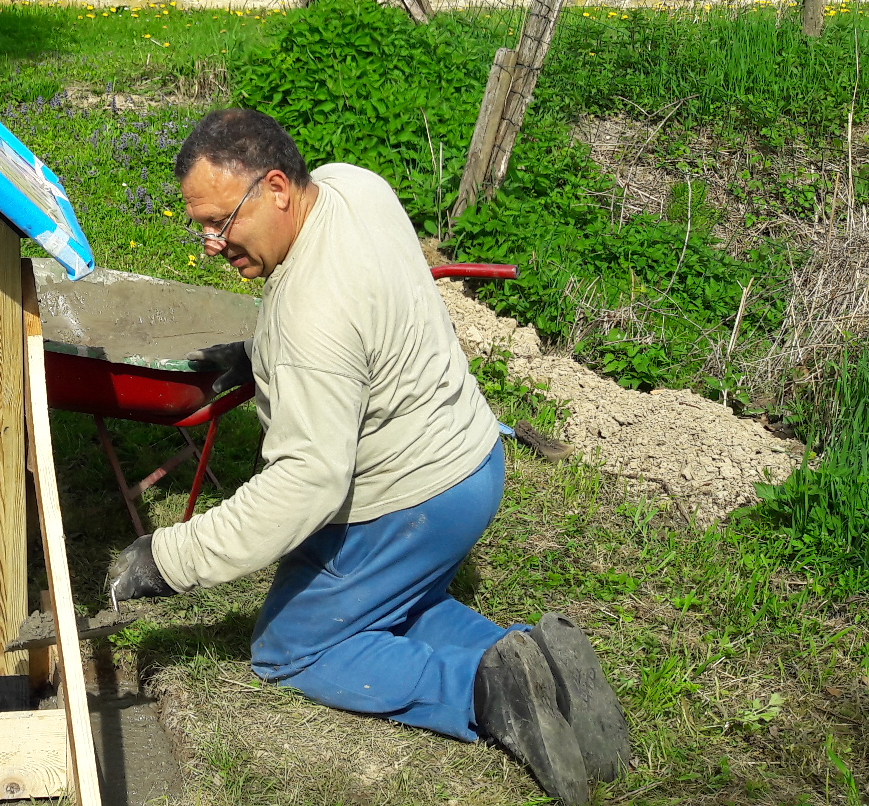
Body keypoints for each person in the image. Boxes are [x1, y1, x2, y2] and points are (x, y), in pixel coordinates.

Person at [105, 108, 629, 806]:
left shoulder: (306, 317)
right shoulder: (356, 187)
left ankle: (481, 693)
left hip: (414, 504)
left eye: (220, 222)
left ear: (277, 189)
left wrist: (167, 560)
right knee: (393, 601)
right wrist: (259, 356)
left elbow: (306, 484)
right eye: (199, 224)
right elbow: (365, 319)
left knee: (293, 649)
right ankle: (534, 662)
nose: (209, 243)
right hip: (474, 460)